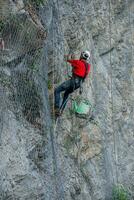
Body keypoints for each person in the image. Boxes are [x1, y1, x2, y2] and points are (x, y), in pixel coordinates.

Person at [54, 50, 91, 116]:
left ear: (82, 55)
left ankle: (57, 109)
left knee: (57, 90)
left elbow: (68, 59)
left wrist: (70, 54)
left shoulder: (78, 62)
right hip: (78, 85)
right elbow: (82, 73)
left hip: (73, 81)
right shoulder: (88, 66)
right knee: (66, 94)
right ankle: (61, 110)